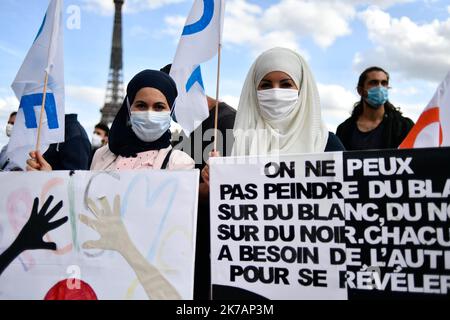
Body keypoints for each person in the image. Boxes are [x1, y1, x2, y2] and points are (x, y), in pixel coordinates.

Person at [200, 47, 344, 300]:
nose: (275, 92)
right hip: (249, 284)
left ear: (302, 88)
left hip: (311, 279)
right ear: (253, 91)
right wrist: (215, 184)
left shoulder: (327, 144)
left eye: (286, 84)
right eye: (265, 85)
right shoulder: (235, 147)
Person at [161, 63, 236, 300]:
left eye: (169, 101)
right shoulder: (190, 126)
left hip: (211, 248)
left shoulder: (228, 122)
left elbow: (223, 191)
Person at [27, 69, 195, 171]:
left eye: (159, 107)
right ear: (128, 109)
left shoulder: (180, 164)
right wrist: (49, 178)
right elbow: (81, 202)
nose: (149, 113)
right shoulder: (102, 154)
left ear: (171, 110)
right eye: (141, 105)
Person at [336, 66, 414, 151]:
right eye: (373, 83)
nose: (380, 87)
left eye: (384, 83)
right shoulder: (345, 129)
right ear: (360, 90)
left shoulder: (403, 126)